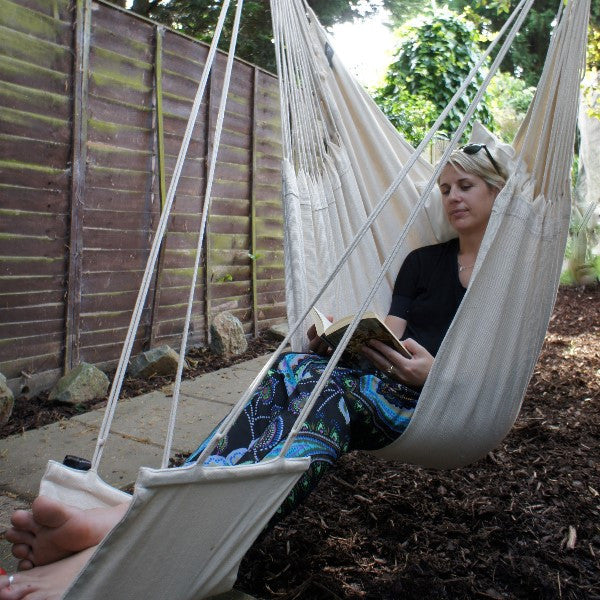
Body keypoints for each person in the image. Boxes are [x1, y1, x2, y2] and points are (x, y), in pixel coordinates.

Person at [0, 144, 507, 600]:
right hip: (381, 382)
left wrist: (436, 375)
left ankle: (123, 529)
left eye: (465, 186)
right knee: (294, 364)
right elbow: (391, 332)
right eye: (444, 189)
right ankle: (140, 523)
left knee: (323, 394)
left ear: (496, 191)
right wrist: (343, 338)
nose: (452, 197)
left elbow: (497, 371)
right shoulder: (422, 262)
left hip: (433, 404)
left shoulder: (507, 275)